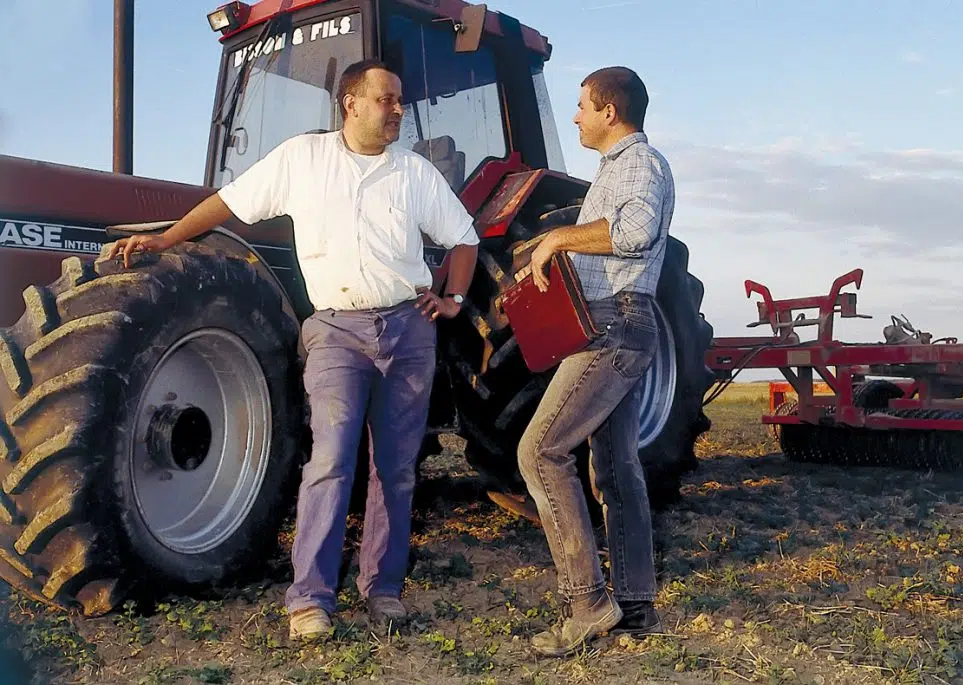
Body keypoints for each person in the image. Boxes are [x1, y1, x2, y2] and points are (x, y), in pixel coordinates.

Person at [110, 59, 480, 640]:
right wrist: (166, 237)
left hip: (408, 331)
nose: (397, 111)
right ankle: (310, 598)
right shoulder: (301, 159)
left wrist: (454, 295)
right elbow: (229, 203)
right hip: (335, 331)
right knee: (331, 459)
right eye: (387, 100)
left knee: (396, 469)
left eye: (400, 101)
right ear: (351, 103)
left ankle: (383, 590)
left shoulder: (414, 173)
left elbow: (464, 237)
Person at [516, 66, 674, 657]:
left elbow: (633, 233)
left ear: (611, 112)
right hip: (617, 321)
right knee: (613, 466)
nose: (576, 116)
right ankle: (633, 603)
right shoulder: (616, 169)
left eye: (583, 106)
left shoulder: (639, 164)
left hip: (614, 324)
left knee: (539, 450)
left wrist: (558, 239)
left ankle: (586, 602)